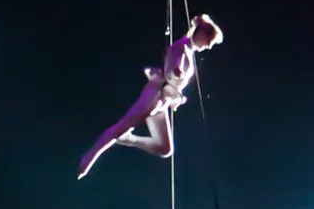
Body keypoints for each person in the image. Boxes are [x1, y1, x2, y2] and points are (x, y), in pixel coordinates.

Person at [77, 14, 222, 178]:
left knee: (165, 149)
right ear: (201, 33)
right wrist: (177, 72)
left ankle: (127, 139)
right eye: (209, 41)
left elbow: (175, 76)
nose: (209, 46)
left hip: (163, 101)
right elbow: (173, 67)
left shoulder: (188, 49)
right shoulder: (182, 46)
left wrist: (177, 94)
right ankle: (89, 157)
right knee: (123, 125)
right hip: (156, 94)